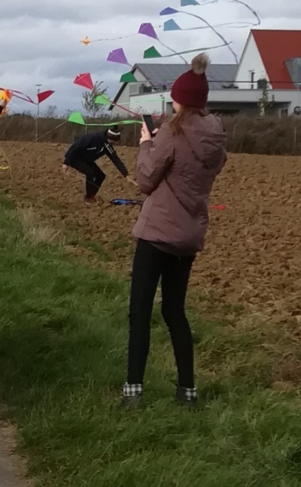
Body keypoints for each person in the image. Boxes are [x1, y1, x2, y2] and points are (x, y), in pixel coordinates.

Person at [122, 54, 227, 409]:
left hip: (157, 235)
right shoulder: (215, 136)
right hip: (188, 237)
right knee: (174, 312)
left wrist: (146, 144)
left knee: (140, 311)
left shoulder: (171, 131)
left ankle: (133, 392)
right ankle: (188, 391)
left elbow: (145, 180)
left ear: (179, 100)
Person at [63, 126, 128, 202]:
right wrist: (66, 163)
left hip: (87, 160)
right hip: (75, 159)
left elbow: (115, 158)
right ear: (110, 138)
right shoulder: (90, 138)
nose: (115, 144)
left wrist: (125, 174)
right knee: (90, 173)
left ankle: (92, 195)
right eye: (114, 142)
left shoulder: (107, 145)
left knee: (101, 176)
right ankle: (89, 197)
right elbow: (74, 148)